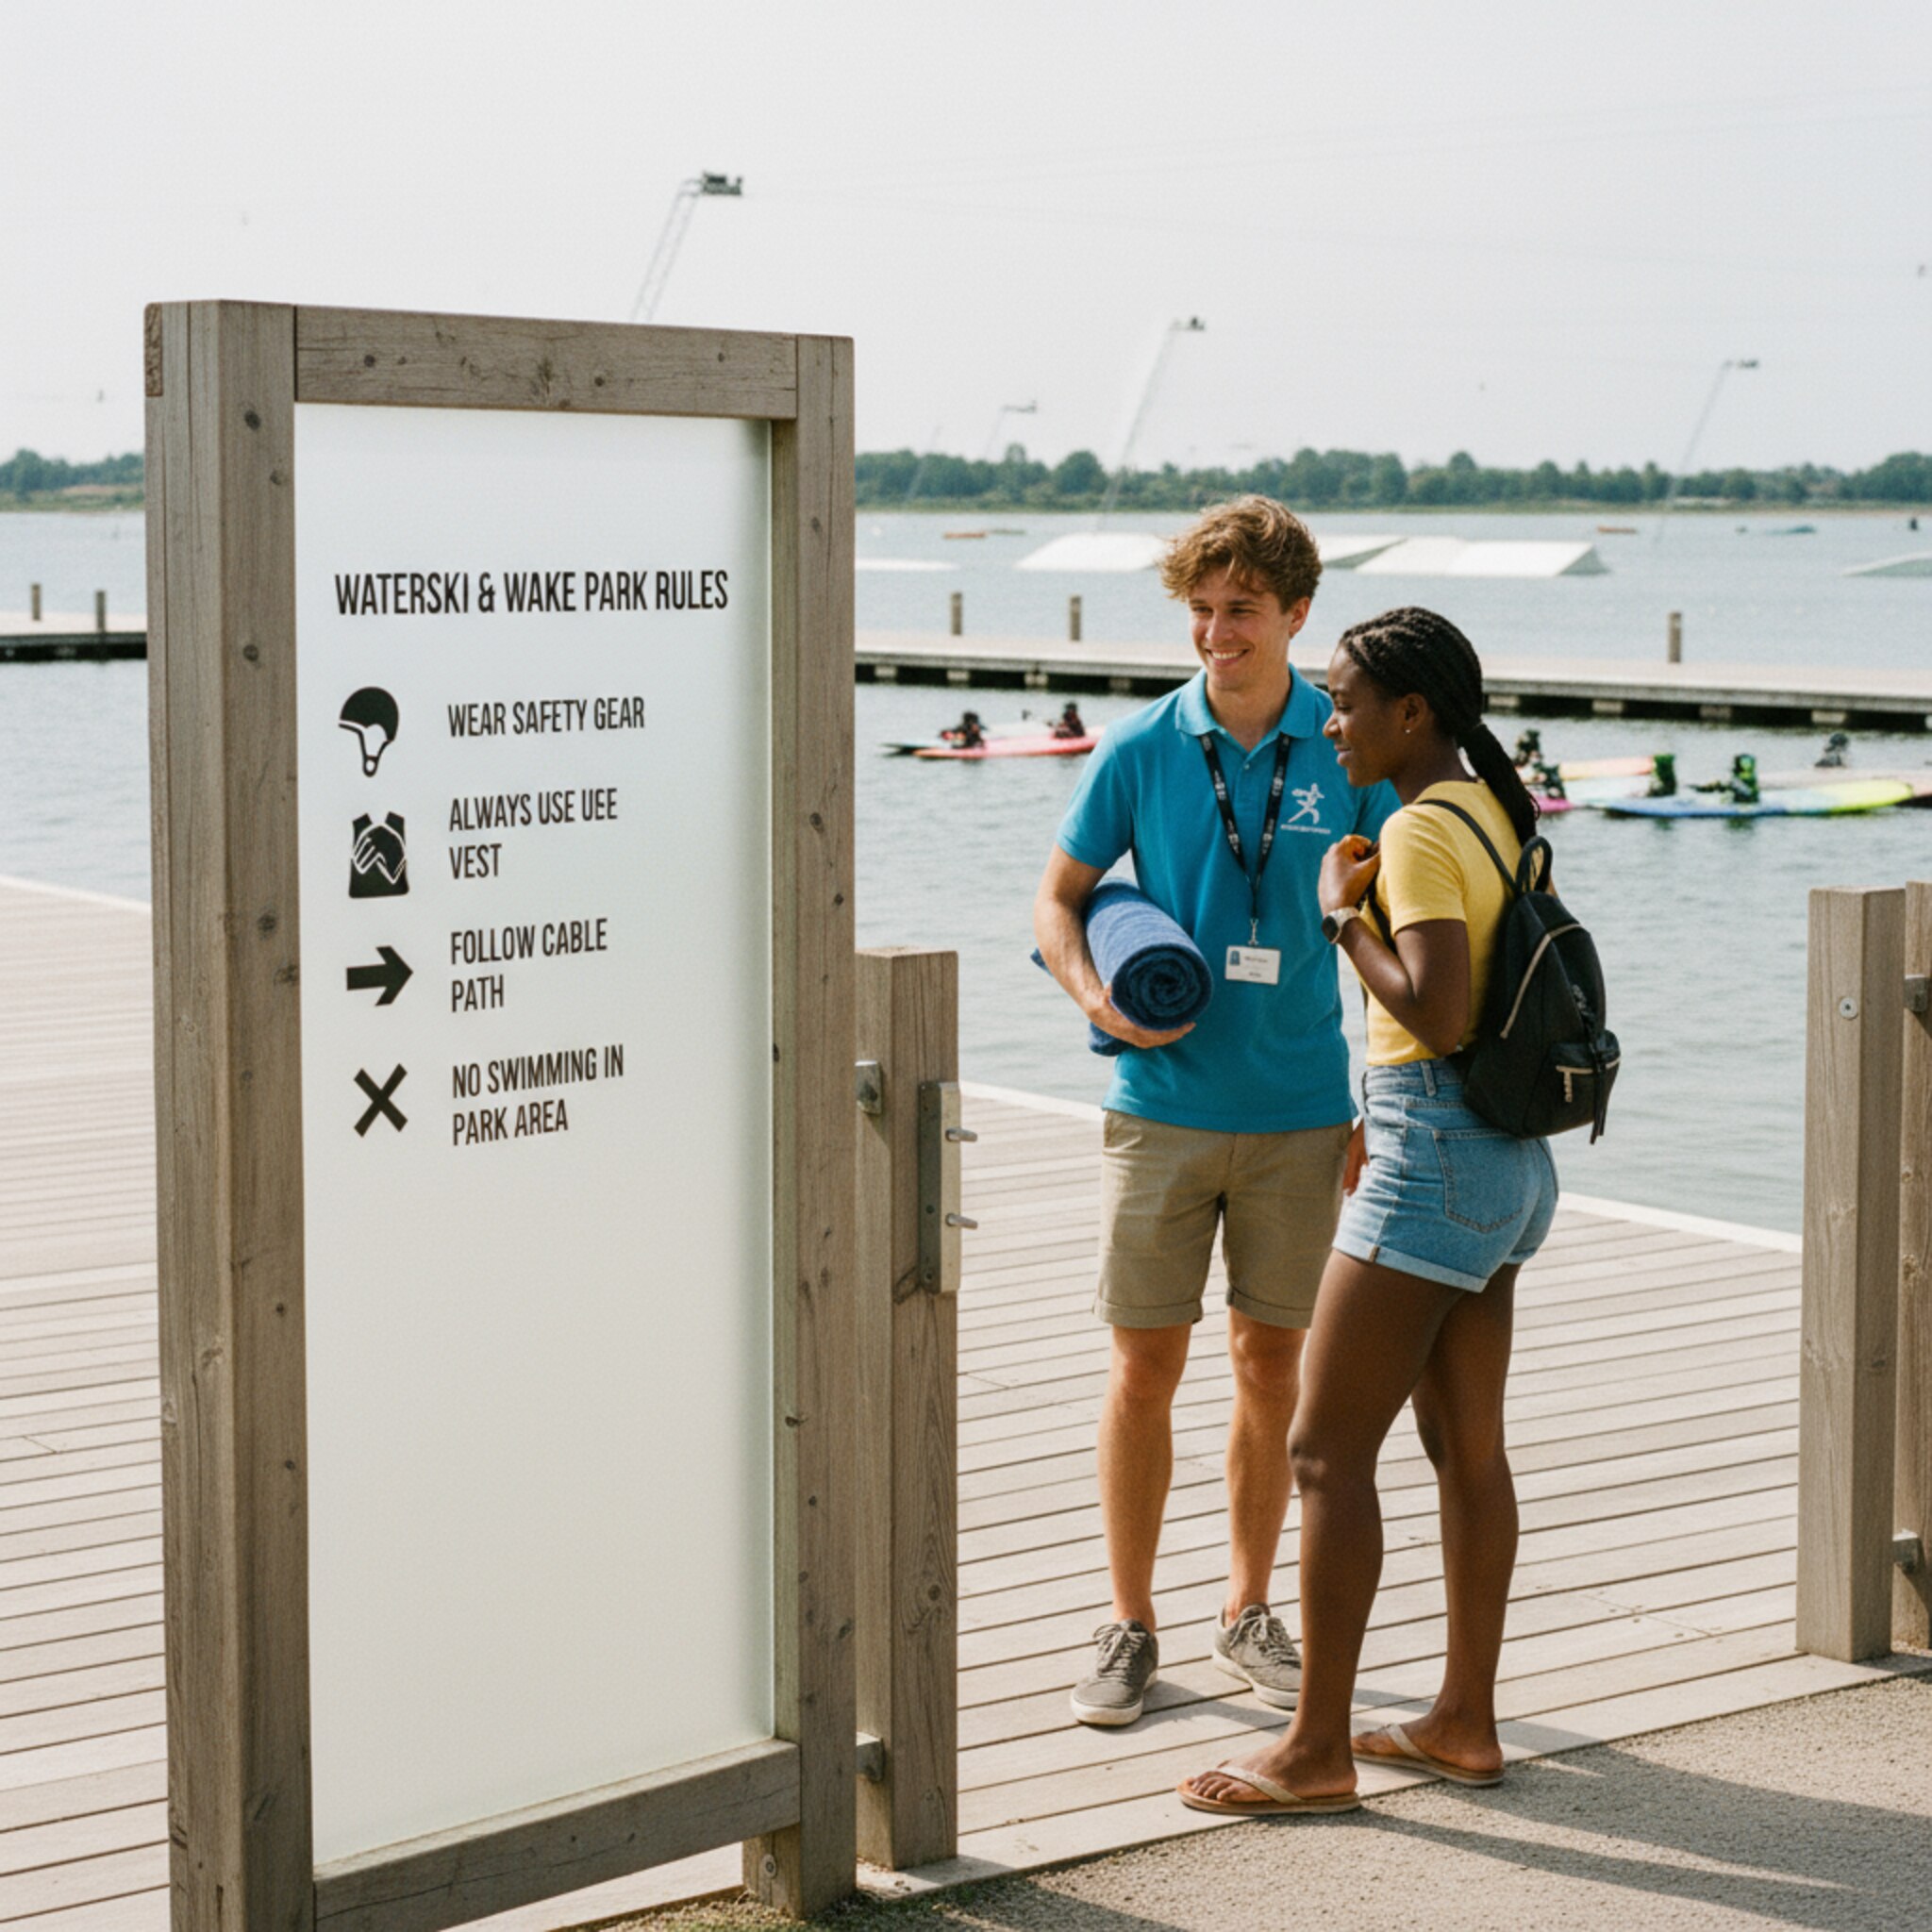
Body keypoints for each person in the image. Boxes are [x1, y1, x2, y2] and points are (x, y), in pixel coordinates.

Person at [1177, 605, 1559, 1817]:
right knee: (1464, 1450)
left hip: (1432, 1150)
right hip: (1504, 1164)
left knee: (1321, 1450)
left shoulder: (1411, 831)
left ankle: (1313, 1748)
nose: (1327, 719)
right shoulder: (1495, 812)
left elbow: (1437, 1013)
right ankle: (1462, 1721)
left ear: (1413, 713)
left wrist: (1338, 912)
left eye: (1344, 701)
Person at [1032, 497, 1396, 1728]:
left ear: (1298, 614)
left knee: (1268, 1369)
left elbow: (1387, 939)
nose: (1215, 631)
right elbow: (1057, 899)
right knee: (1143, 1367)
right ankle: (1127, 1624)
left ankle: (1246, 1608)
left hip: (1301, 1115)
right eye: (1201, 607)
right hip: (1162, 1112)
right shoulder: (1142, 748)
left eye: (1240, 608)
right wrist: (1097, 998)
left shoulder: (1347, 757)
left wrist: (1376, 1107)